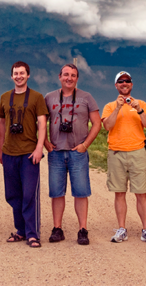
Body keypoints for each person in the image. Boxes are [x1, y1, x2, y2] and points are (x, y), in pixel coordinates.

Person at [44, 64, 102, 245]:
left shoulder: (86, 97)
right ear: (59, 76)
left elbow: (97, 123)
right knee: (56, 193)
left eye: (73, 75)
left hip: (78, 152)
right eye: (66, 75)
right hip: (56, 152)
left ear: (77, 78)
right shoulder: (49, 97)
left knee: (81, 192)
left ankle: (82, 229)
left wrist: (85, 145)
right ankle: (57, 228)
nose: (69, 78)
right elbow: (40, 122)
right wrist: (46, 143)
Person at [101, 71, 146, 243]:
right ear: (116, 85)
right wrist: (118, 107)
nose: (124, 84)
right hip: (116, 152)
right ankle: (121, 229)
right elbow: (108, 126)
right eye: (120, 81)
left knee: (141, 192)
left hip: (137, 152)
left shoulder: (141, 104)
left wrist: (139, 109)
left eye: (127, 81)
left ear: (131, 85)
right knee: (119, 192)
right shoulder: (110, 106)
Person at [0, 61, 48, 248]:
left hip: (29, 153)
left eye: (22, 73)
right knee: (13, 194)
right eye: (15, 73)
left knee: (29, 194)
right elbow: (2, 124)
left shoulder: (36, 97)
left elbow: (42, 123)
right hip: (10, 152)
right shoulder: (4, 97)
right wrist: (1, 148)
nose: (18, 76)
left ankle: (32, 233)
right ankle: (20, 230)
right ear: (11, 76)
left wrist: (39, 148)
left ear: (28, 75)